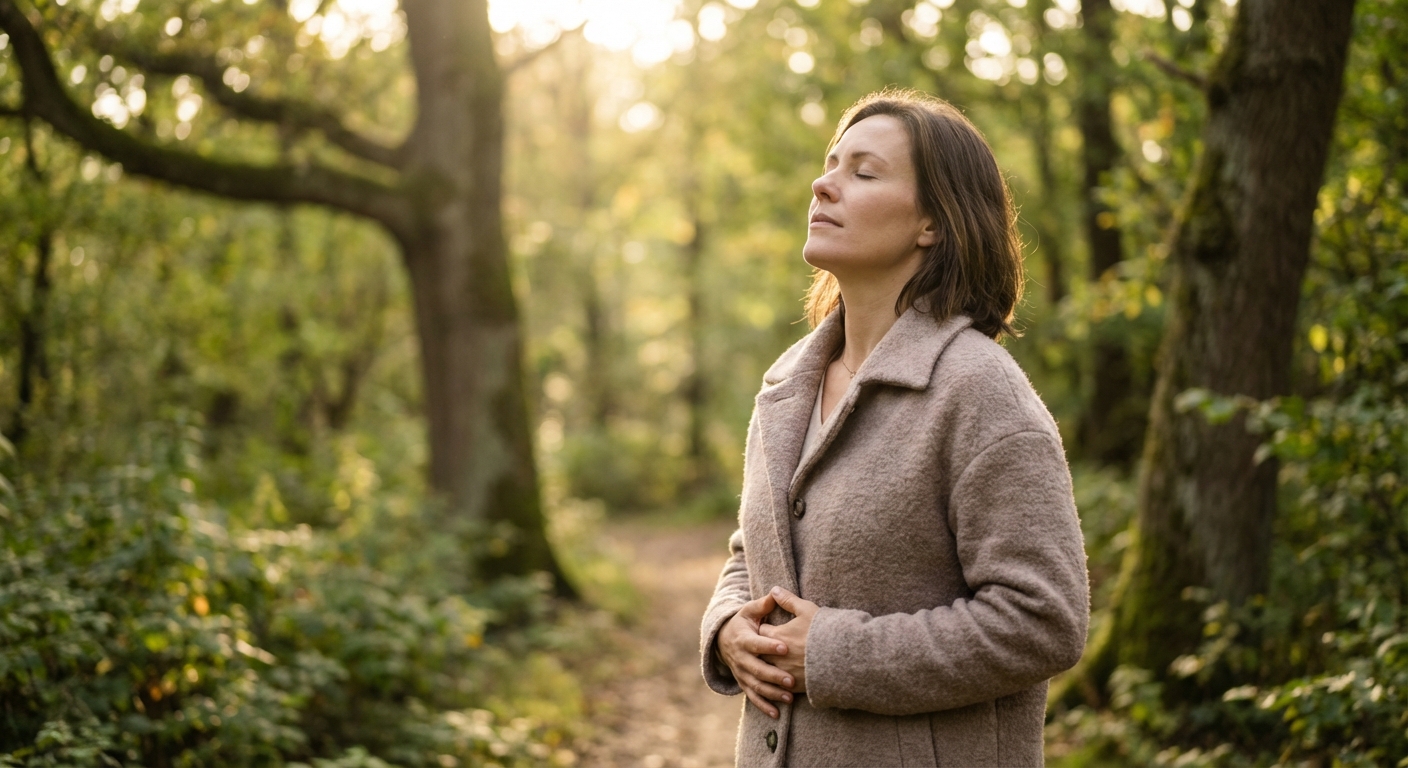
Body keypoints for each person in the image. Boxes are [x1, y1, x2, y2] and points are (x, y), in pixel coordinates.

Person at [698, 88, 1090, 767]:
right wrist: (728, 626)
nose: (823, 184)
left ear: (932, 224)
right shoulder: (788, 385)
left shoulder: (979, 392)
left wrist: (833, 652)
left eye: (863, 172)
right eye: (829, 164)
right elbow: (752, 553)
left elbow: (1043, 621)